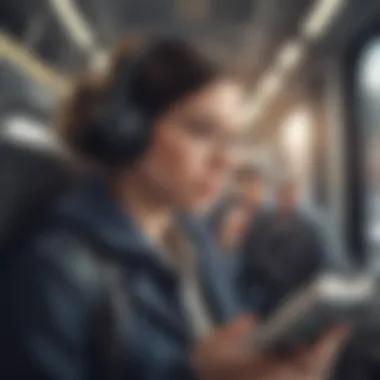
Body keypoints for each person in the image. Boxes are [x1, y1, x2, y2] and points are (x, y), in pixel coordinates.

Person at [0, 37, 349, 380]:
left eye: (231, 139)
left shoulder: (189, 235)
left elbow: (222, 329)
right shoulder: (61, 269)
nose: (224, 161)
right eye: (201, 131)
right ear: (129, 129)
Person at [239, 180, 331, 316]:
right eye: (284, 197)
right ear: (277, 199)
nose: (287, 201)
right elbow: (257, 259)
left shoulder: (307, 230)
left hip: (299, 287)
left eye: (291, 198)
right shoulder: (261, 225)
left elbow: (316, 260)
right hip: (267, 289)